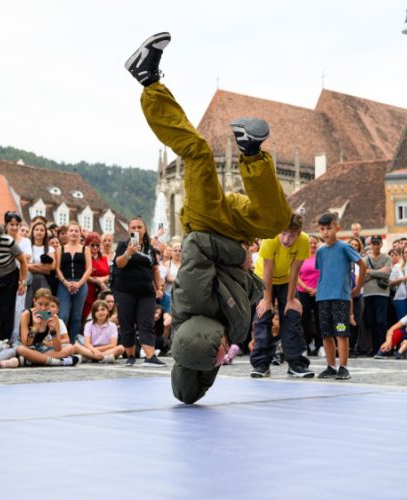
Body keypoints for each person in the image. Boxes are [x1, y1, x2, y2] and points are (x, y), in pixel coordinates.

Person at [126, 32, 291, 403]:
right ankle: (249, 150)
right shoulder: (225, 331)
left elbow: (198, 248)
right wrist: (251, 276)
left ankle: (148, 81)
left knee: (198, 152)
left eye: (217, 356)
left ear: (204, 345)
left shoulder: (192, 305)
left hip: (205, 224)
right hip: (235, 231)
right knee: (276, 220)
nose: (225, 356)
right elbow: (244, 288)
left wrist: (241, 257)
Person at [250, 213, 313, 378]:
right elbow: (267, 270)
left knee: (292, 316)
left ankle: (296, 364)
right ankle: (261, 364)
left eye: (291, 235)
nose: (286, 239)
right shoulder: (270, 238)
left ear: (298, 233)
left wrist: (291, 299)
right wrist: (267, 299)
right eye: (283, 234)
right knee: (264, 315)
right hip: (263, 278)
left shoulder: (304, 240)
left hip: (286, 280)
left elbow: (295, 271)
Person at [315, 213, 367, 380]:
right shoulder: (320, 250)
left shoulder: (345, 247)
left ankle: (343, 367)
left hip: (340, 297)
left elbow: (362, 264)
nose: (325, 232)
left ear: (337, 228)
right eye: (322, 229)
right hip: (323, 297)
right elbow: (322, 272)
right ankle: (331, 366)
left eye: (329, 228)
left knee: (341, 332)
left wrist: (358, 287)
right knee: (326, 333)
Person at [113, 217, 165, 366]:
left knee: (146, 323)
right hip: (125, 290)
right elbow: (119, 264)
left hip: (146, 292)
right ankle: (130, 356)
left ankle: (150, 357)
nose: (136, 230)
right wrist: (128, 253)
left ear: (145, 229)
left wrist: (159, 287)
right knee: (126, 323)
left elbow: (155, 269)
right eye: (133, 227)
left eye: (139, 227)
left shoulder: (150, 249)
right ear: (129, 230)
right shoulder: (123, 245)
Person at [54, 221, 92, 343]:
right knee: (63, 315)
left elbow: (89, 268)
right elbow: (57, 269)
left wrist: (79, 283)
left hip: (80, 284)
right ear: (67, 233)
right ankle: (60, 341)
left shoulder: (85, 249)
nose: (74, 233)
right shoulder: (61, 248)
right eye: (71, 230)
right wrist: (66, 282)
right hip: (64, 284)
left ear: (80, 233)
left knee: (76, 316)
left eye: (76, 231)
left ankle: (74, 343)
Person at [17, 289, 78, 366]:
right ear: (34, 301)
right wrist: (35, 327)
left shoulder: (53, 316)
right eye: (40, 304)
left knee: (71, 348)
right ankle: (58, 362)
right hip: (28, 347)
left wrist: (53, 330)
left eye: (46, 304)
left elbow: (58, 348)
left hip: (41, 349)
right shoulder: (27, 314)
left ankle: (34, 360)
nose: (43, 308)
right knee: (21, 350)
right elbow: (26, 343)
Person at [363, 235, 392, 355]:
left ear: (381, 244)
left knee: (381, 321)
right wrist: (379, 272)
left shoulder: (387, 258)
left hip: (382, 292)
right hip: (368, 293)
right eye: (373, 243)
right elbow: (363, 277)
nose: (375, 245)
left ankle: (383, 348)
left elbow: (386, 274)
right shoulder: (364, 259)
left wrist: (370, 271)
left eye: (377, 243)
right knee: (371, 321)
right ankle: (375, 348)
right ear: (370, 245)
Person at [298, 235, 322, 355]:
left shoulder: (321, 257)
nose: (313, 245)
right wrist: (306, 288)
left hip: (319, 291)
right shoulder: (301, 256)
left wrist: (318, 288)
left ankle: (320, 345)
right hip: (303, 291)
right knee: (304, 320)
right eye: (310, 243)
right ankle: (304, 346)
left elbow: (325, 273)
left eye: (315, 243)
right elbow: (295, 275)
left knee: (320, 319)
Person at [82, 232, 110, 320]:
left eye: (97, 245)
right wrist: (97, 281)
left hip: (102, 292)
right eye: (92, 245)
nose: (95, 247)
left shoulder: (104, 258)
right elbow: (83, 275)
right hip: (88, 290)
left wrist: (101, 280)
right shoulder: (84, 258)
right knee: (86, 316)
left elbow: (110, 274)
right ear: (87, 245)